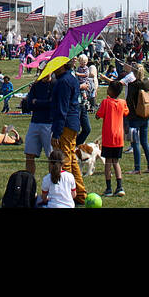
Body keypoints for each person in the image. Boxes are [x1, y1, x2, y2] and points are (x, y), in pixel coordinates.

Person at [51, 62, 86, 206]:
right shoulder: (71, 78)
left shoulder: (64, 82)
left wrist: (57, 133)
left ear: (62, 66)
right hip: (72, 122)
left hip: (65, 124)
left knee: (64, 160)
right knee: (71, 158)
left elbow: (62, 108)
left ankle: (67, 193)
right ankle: (80, 193)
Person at [95, 80, 127, 197]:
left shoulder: (106, 102)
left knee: (108, 162)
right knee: (116, 162)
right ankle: (119, 186)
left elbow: (98, 115)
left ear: (110, 90)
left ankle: (108, 188)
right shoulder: (122, 102)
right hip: (119, 138)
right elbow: (126, 112)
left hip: (108, 137)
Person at [125, 63, 149, 174]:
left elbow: (129, 101)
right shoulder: (147, 83)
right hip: (145, 115)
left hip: (134, 117)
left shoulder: (133, 85)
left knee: (135, 143)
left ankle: (137, 168)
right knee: (145, 142)